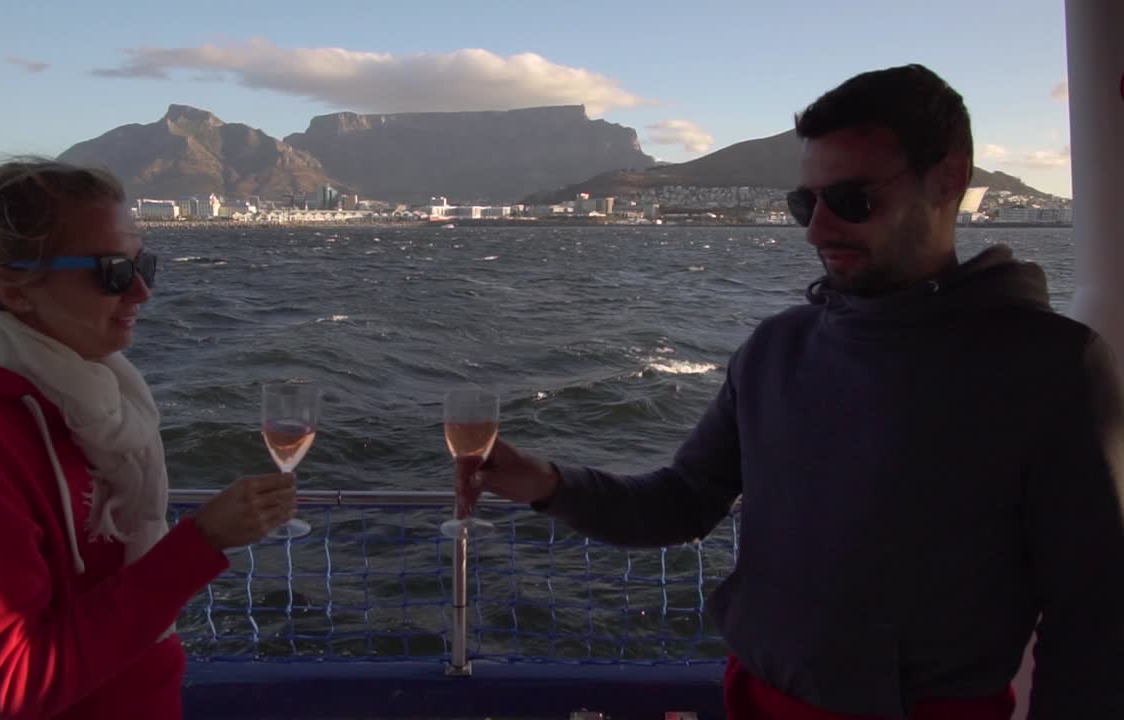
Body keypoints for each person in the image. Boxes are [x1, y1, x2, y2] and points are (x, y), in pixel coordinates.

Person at [469, 65, 1124, 719]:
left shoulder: (1051, 369)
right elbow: (681, 502)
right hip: (752, 698)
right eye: (805, 204)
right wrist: (545, 483)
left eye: (853, 200)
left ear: (947, 182)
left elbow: (1093, 618)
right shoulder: (778, 348)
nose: (817, 230)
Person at [0, 160, 296, 719]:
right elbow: (19, 681)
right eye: (111, 272)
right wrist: (200, 542)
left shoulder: (94, 404)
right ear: (13, 289)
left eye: (143, 266)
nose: (140, 292)